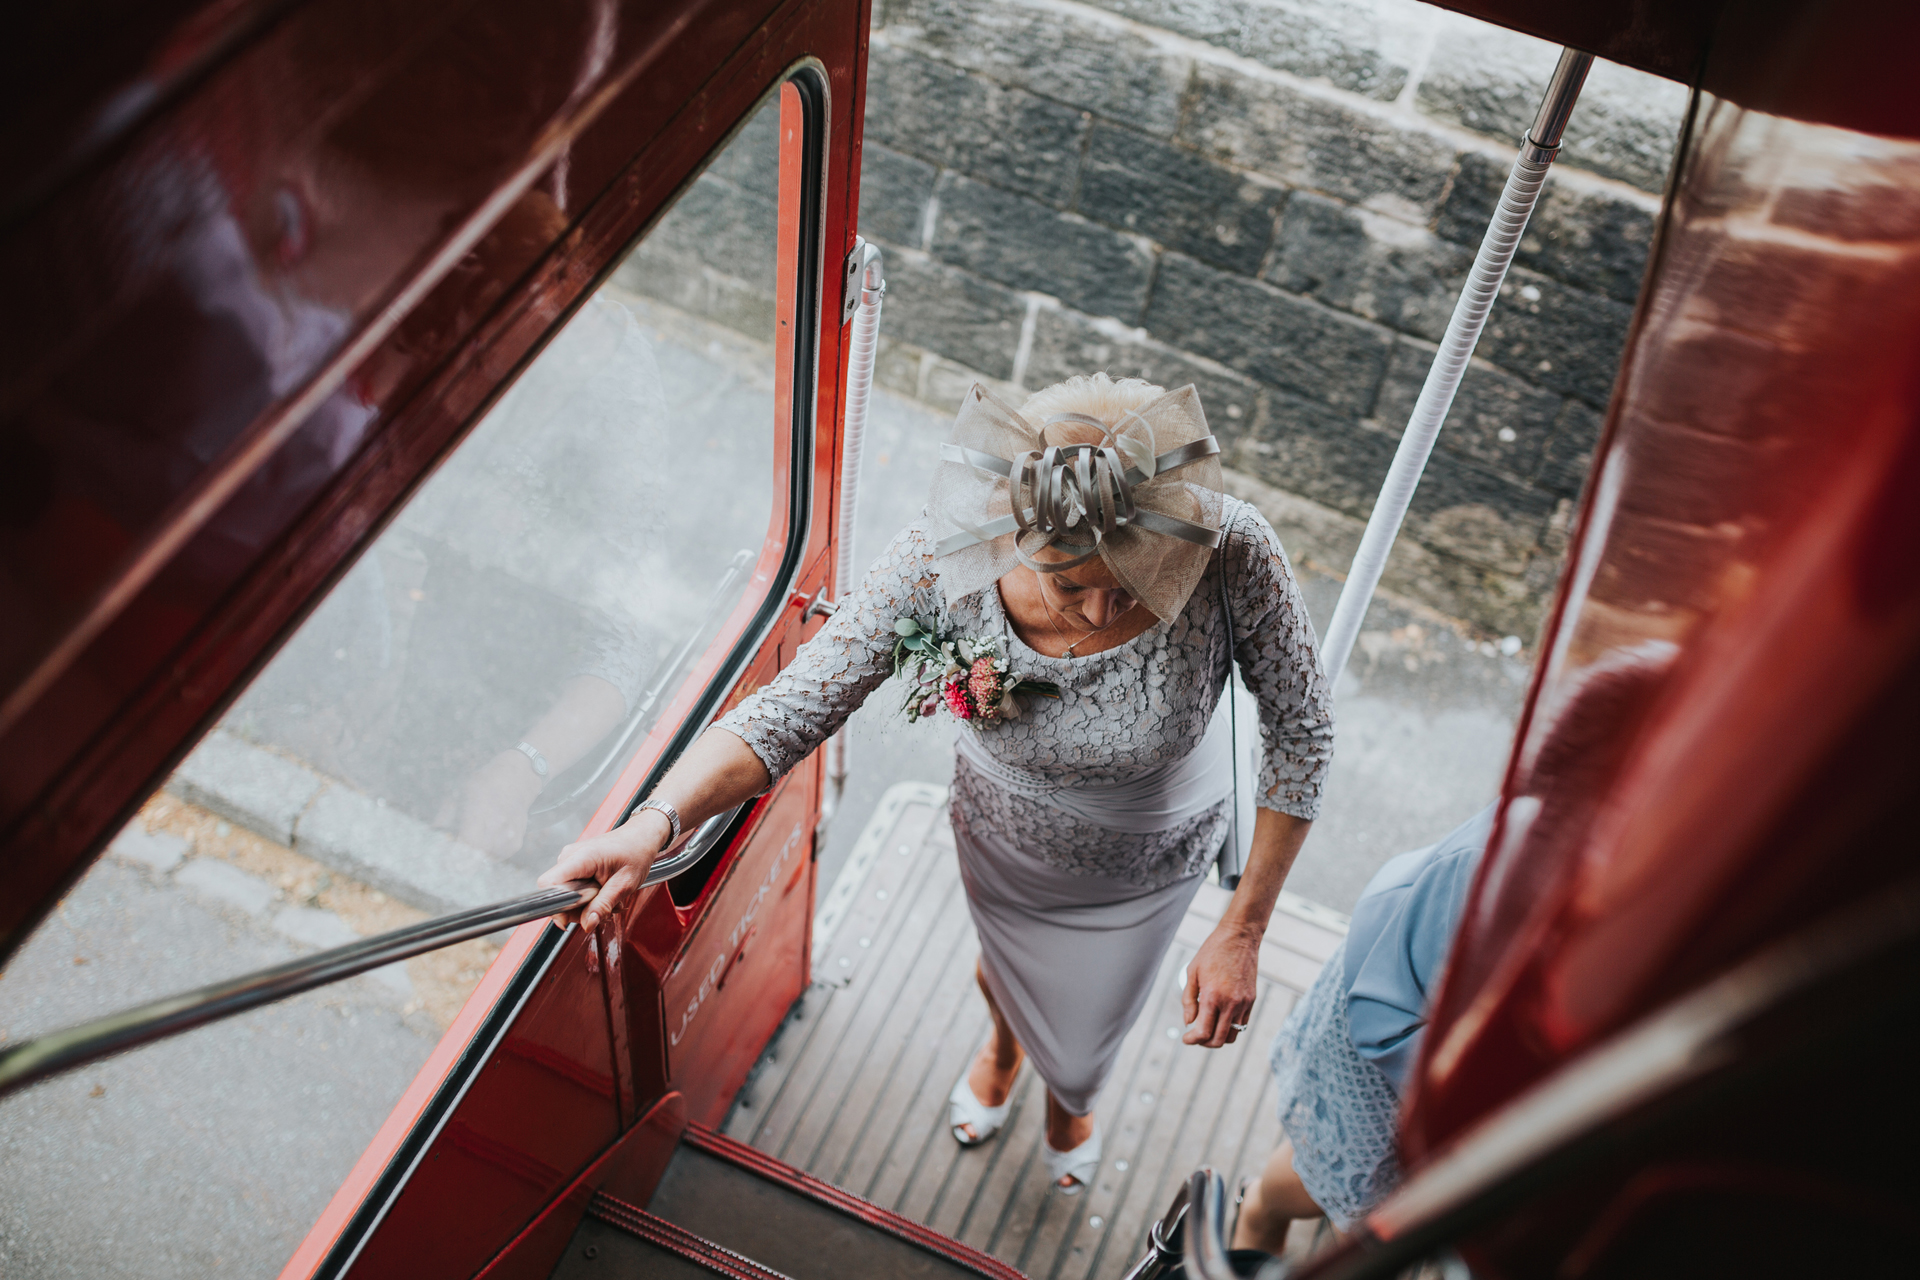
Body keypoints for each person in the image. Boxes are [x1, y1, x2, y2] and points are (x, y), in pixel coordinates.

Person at [541, 373, 1334, 1194]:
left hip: (1149, 850)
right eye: (1070, 583)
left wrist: (1243, 928)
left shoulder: (1230, 545)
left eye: (1133, 582)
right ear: (1013, 527)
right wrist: (653, 826)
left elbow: (1303, 732)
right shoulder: (945, 550)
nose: (1101, 613)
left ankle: (1072, 1095)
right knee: (1003, 969)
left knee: (1099, 1008)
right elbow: (790, 709)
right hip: (1001, 833)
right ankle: (1002, 1047)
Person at [1231, 802, 1495, 1250]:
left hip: (1464, 1066)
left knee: (1364, 1196)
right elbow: (1385, 1015)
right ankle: (1259, 1210)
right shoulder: (1497, 859)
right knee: (1356, 1191)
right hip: (1392, 1018)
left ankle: (1262, 1208)